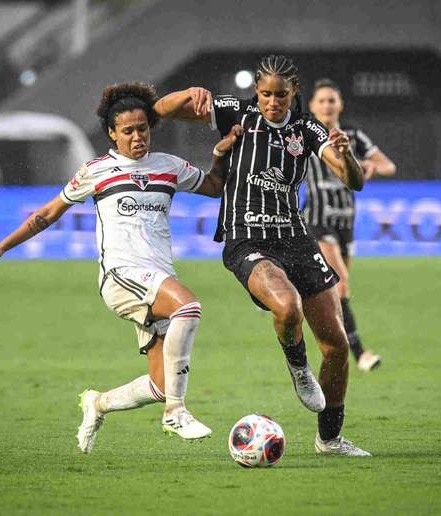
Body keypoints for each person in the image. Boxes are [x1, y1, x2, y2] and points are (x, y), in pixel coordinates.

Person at [0, 82, 238, 452]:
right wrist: (1, 247)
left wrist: (220, 153)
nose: (137, 136)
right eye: (127, 131)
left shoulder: (169, 167)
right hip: (122, 276)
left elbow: (214, 186)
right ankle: (176, 412)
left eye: (142, 128)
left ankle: (98, 403)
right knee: (188, 307)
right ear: (112, 134)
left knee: (161, 383)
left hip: (158, 276)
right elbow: (47, 214)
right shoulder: (96, 171)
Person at [154, 55, 372, 456]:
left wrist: (348, 155)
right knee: (288, 307)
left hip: (296, 238)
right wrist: (188, 93)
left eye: (282, 95)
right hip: (247, 238)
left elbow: (352, 180)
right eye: (267, 94)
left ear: (294, 94)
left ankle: (329, 440)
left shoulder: (307, 129)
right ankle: (298, 367)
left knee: (338, 344)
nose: (273, 102)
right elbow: (160, 111)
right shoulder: (236, 113)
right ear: (256, 90)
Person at [303, 79, 396, 372]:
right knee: (341, 284)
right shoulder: (304, 133)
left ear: (340, 105)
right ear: (312, 106)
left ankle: (330, 344)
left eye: (332, 100)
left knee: (334, 293)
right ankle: (360, 353)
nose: (327, 105)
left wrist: (370, 166)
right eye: (321, 101)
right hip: (317, 219)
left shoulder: (353, 135)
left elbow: (388, 165)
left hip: (346, 221)